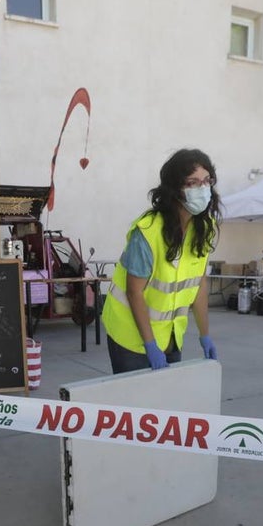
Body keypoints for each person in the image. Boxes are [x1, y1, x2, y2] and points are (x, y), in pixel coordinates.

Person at [100, 148, 218, 373]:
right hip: (130, 336)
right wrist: (150, 345)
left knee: (163, 402)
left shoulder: (205, 228)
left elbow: (199, 284)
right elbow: (134, 292)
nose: (201, 189)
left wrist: (205, 335)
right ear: (175, 189)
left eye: (206, 181)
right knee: (135, 404)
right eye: (192, 183)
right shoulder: (148, 231)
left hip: (171, 334)